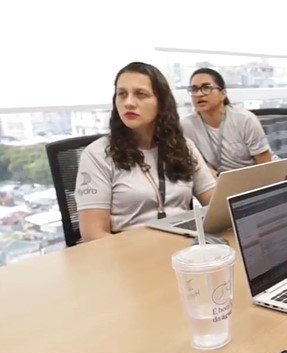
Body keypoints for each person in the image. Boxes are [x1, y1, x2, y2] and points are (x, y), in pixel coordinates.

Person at [76, 62, 216, 242]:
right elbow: (93, 235)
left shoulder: (183, 146)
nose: (129, 103)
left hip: (184, 248)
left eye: (140, 94)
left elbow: (214, 206)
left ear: (162, 104)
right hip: (126, 254)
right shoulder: (97, 154)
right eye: (122, 94)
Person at [180, 68, 273, 174]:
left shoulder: (244, 119)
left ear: (223, 94)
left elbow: (266, 166)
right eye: (194, 89)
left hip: (266, 177)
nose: (199, 94)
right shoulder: (186, 126)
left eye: (206, 88)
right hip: (223, 184)